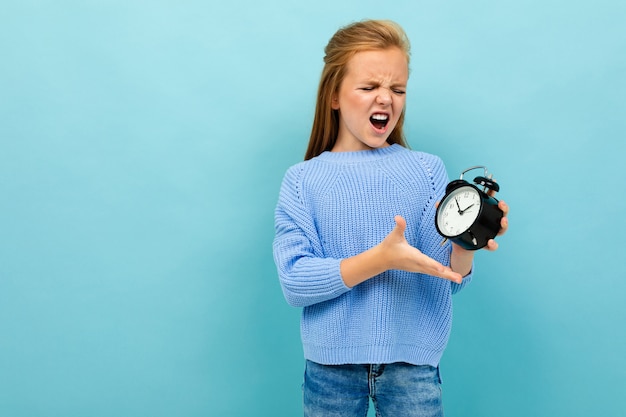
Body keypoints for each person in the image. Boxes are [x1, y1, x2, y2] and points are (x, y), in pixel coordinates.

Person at [273, 19, 509, 417]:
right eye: (369, 87)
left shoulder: (427, 170)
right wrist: (381, 259)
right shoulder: (303, 180)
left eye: (397, 89)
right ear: (334, 95)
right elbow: (295, 282)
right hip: (329, 368)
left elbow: (447, 278)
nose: (386, 99)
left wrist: (468, 241)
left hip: (413, 366)